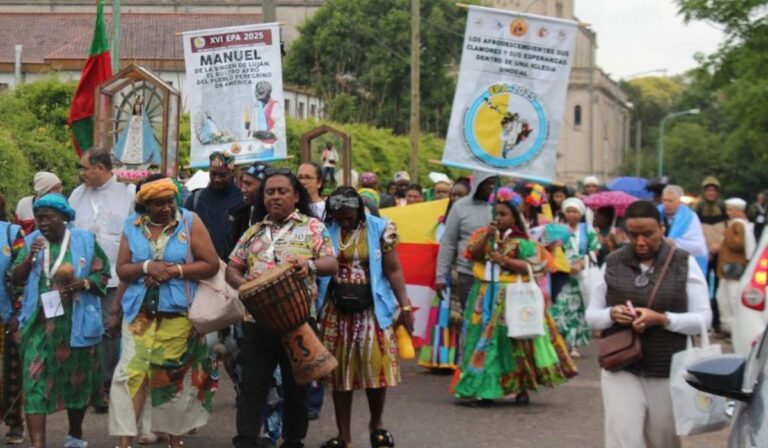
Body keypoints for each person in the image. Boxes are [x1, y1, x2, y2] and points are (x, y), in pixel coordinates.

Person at [225, 169, 338, 448]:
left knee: (296, 386)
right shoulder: (254, 231)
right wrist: (243, 282)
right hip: (256, 321)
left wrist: (309, 264)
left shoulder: (312, 227)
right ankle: (246, 440)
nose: (274, 197)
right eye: (269, 192)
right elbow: (231, 269)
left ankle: (293, 441)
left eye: (282, 191)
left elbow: (331, 263)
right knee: (252, 386)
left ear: (296, 196)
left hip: (297, 321)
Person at [586, 200, 712, 448]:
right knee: (622, 437)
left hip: (667, 367)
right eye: (633, 235)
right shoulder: (613, 262)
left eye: (648, 234)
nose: (640, 242)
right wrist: (612, 314)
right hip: (620, 364)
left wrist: (663, 319)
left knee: (663, 439)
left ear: (662, 229)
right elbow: (592, 315)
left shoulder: (684, 263)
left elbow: (703, 320)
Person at [108, 177, 219, 448]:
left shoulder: (190, 221)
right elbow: (122, 270)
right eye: (159, 204)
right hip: (139, 315)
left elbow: (211, 264)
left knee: (171, 379)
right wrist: (147, 266)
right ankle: (124, 443)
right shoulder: (131, 227)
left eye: (170, 201)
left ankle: (174, 440)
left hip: (177, 315)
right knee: (128, 377)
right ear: (144, 205)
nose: (167, 208)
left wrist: (172, 270)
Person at [452, 186, 576, 404]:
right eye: (495, 214)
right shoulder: (483, 235)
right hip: (484, 294)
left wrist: (507, 262)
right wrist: (487, 237)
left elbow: (541, 265)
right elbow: (472, 254)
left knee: (514, 343)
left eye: (503, 214)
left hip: (513, 298)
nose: (498, 218)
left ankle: (521, 386)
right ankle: (484, 389)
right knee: (484, 340)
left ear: (514, 217)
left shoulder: (524, 241)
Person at [11, 193, 111, 448]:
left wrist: (85, 282)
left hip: (75, 324)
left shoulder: (85, 241)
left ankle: (75, 436)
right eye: (38, 217)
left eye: (48, 217)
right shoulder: (32, 240)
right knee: (33, 382)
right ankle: (38, 444)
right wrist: (30, 258)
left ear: (64, 218)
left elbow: (103, 274)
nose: (42, 223)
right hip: (39, 325)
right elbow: (16, 277)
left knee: (76, 382)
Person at [318, 187, 414, 448]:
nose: (343, 220)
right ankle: (344, 435)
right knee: (339, 374)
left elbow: (393, 270)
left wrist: (404, 307)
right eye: (338, 215)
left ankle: (377, 424)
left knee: (375, 367)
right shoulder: (324, 230)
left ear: (359, 210)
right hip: (336, 310)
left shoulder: (381, 229)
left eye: (348, 215)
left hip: (371, 308)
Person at [69, 149, 136, 412]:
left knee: (110, 330)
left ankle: (107, 387)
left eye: (86, 168)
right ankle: (87, 386)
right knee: (84, 328)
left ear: (102, 168)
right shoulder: (77, 194)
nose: (82, 173)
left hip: (114, 277)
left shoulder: (127, 193)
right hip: (83, 277)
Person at [419, 178, 471, 370]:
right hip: (446, 274)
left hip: (465, 272)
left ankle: (459, 359)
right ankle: (441, 358)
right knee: (443, 316)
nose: (456, 198)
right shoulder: (442, 222)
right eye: (454, 195)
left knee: (462, 315)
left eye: (461, 195)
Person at [436, 171, 496, 311]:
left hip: (497, 274)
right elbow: (448, 243)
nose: (492, 186)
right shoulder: (460, 207)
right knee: (469, 320)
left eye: (495, 182)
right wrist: (441, 276)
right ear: (477, 183)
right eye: (488, 182)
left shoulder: (502, 206)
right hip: (467, 274)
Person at [549, 197, 599, 357]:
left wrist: (582, 262)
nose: (571, 215)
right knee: (560, 308)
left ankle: (572, 345)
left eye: (575, 211)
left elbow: (595, 248)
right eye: (568, 211)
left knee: (576, 311)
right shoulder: (558, 229)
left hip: (580, 276)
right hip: (561, 274)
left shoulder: (587, 229)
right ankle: (560, 342)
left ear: (581, 213)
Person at [184, 151, 244, 261]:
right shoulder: (195, 200)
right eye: (213, 174)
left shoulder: (243, 199)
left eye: (222, 175)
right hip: (202, 265)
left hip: (235, 266)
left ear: (232, 174)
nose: (217, 179)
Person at [0, 194, 25, 445]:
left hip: (6, 316)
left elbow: (21, 276)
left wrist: (18, 311)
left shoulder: (12, 233)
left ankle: (15, 424)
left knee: (10, 373)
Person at [715, 198, 755, 336]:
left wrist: (726, 233)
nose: (728, 212)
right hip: (728, 269)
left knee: (732, 298)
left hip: (734, 268)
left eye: (731, 209)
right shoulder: (736, 224)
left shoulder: (738, 225)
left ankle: (735, 329)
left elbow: (738, 244)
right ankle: (727, 327)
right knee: (723, 297)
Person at [695, 176, 729, 332]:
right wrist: (705, 247)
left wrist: (719, 245)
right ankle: (703, 320)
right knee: (702, 286)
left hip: (720, 252)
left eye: (713, 190)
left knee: (720, 287)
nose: (711, 193)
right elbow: (694, 229)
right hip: (703, 252)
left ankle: (717, 321)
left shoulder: (723, 207)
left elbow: (729, 228)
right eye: (708, 190)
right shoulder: (698, 207)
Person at [659, 185, 708, 276]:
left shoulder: (691, 218)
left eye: (670, 201)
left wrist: (675, 243)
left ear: (679, 202)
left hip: (687, 266)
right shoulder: (656, 213)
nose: (666, 204)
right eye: (664, 200)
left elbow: (698, 247)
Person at [114, 95, 161, 167]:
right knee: (129, 146)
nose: (137, 108)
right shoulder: (132, 115)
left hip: (139, 134)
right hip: (132, 133)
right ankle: (129, 159)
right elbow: (130, 124)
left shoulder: (143, 116)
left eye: (138, 107)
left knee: (139, 147)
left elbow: (145, 125)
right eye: (136, 107)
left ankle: (138, 159)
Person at [248, 81, 285, 152]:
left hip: (268, 146)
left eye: (260, 91)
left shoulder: (274, 105)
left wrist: (270, 134)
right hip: (255, 145)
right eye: (256, 91)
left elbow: (280, 125)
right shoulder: (256, 106)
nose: (256, 93)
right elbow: (252, 126)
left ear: (268, 92)